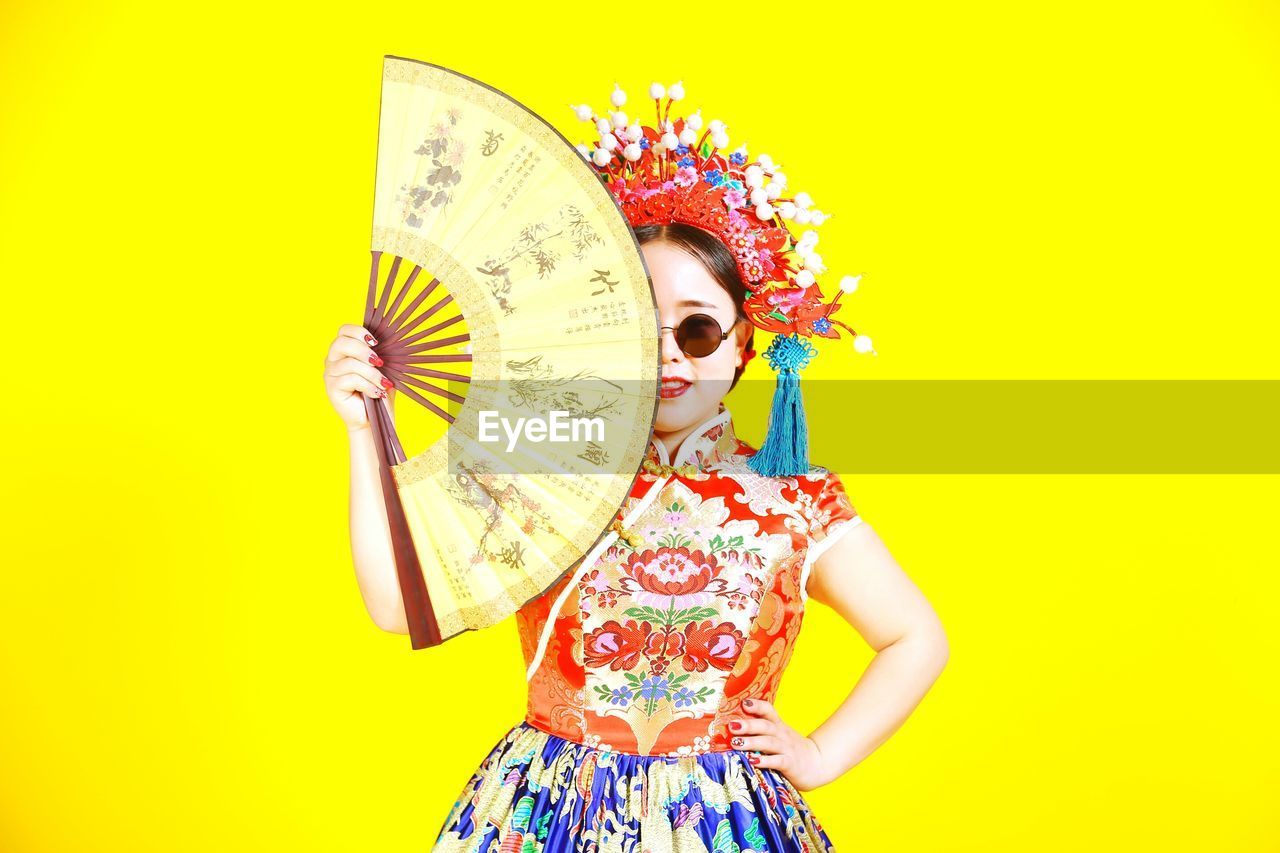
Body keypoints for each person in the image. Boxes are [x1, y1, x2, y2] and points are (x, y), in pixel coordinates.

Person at [322, 82, 949, 852]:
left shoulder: (793, 496)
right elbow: (394, 603)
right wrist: (361, 432)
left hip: (725, 825)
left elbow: (916, 636)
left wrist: (818, 755)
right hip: (550, 816)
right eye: (638, 326)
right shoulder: (547, 467)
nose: (665, 357)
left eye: (696, 330)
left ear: (747, 340)